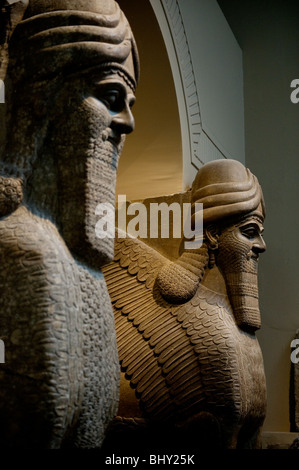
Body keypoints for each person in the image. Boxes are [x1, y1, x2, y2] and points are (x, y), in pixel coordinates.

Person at [0, 0, 139, 448]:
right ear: (46, 94)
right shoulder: (22, 249)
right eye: (112, 97)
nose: (129, 123)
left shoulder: (88, 275)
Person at [102, 159, 267, 450]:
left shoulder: (240, 334)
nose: (261, 245)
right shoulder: (212, 327)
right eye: (250, 232)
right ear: (213, 235)